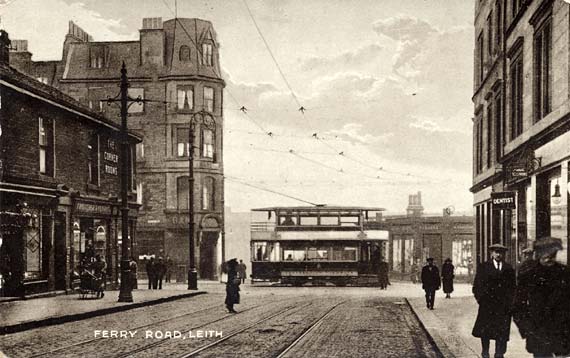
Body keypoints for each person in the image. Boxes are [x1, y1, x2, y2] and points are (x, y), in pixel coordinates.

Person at [513, 237, 570, 358]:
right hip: (538, 332)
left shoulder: (565, 273)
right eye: (546, 254)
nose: (549, 257)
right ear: (539, 254)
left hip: (562, 332)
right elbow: (518, 307)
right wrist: (527, 330)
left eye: (553, 254)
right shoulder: (528, 276)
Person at [472, 244, 515, 358]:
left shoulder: (509, 268)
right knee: (485, 331)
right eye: (496, 252)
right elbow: (477, 286)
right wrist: (481, 300)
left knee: (501, 332)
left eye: (501, 252)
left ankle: (499, 353)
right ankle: (485, 351)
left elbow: (513, 288)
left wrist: (510, 303)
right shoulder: (484, 267)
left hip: (503, 306)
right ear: (492, 253)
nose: (499, 255)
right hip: (487, 305)